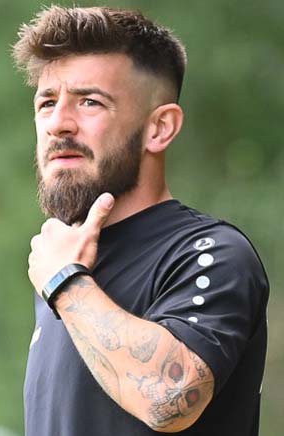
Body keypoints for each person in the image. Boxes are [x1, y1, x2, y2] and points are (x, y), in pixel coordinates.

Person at [15, 6, 269, 435]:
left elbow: (169, 398)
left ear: (160, 128)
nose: (58, 123)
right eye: (47, 103)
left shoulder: (213, 255)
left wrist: (65, 283)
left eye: (90, 102)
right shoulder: (61, 272)